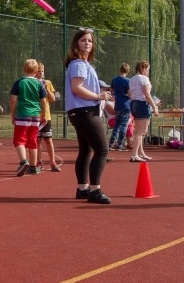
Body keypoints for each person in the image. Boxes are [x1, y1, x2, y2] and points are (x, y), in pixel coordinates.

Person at [64, 28, 111, 204]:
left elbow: (84, 88)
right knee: (102, 149)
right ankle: (95, 190)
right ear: (77, 43)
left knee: (86, 150)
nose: (87, 43)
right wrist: (98, 96)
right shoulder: (78, 64)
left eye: (90, 41)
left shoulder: (83, 64)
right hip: (84, 110)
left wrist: (102, 97)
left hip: (83, 110)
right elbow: (77, 88)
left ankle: (83, 189)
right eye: (83, 40)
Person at [9, 59, 47, 176]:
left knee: (19, 140)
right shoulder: (39, 83)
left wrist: (13, 114)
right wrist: (43, 115)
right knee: (32, 140)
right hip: (35, 115)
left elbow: (13, 100)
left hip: (23, 114)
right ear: (36, 71)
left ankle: (23, 161)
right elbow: (44, 102)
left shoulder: (19, 83)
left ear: (23, 69)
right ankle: (33, 166)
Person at [127, 60, 159, 162]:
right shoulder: (144, 79)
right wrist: (154, 107)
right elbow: (147, 94)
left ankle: (140, 153)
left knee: (138, 131)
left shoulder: (132, 79)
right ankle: (134, 154)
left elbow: (130, 93)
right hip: (142, 104)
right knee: (141, 132)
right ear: (143, 68)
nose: (147, 72)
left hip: (134, 103)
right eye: (147, 69)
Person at [35, 61, 61, 172]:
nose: (41, 73)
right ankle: (39, 163)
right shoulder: (32, 83)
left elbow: (53, 99)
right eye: (38, 71)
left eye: (42, 71)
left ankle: (52, 162)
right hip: (35, 116)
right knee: (37, 141)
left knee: (48, 140)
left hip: (46, 117)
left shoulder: (48, 82)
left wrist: (46, 89)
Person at [108, 63, 131, 151]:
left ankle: (111, 143)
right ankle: (120, 144)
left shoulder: (114, 80)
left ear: (120, 70)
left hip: (117, 105)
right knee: (124, 125)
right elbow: (129, 94)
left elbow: (111, 92)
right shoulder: (128, 81)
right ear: (128, 71)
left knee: (117, 125)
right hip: (126, 105)